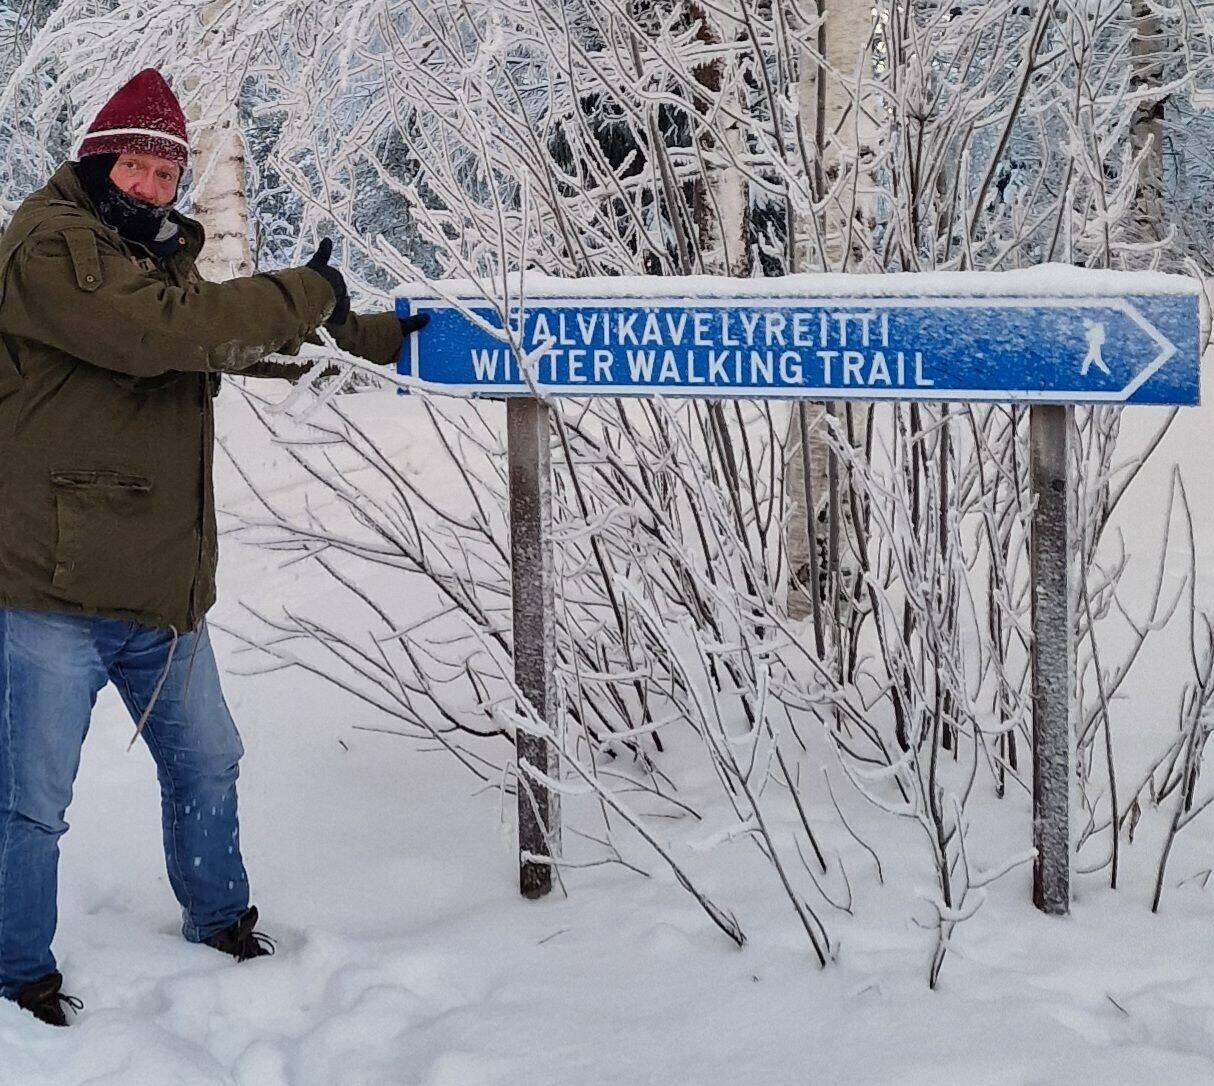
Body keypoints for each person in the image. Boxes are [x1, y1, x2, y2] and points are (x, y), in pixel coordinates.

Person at [0, 68, 428, 1026]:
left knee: (207, 761)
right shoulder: (51, 246)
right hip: (51, 587)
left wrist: (377, 338)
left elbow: (230, 342)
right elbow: (171, 334)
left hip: (160, 586)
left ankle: (220, 917)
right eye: (138, 166)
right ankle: (16, 971)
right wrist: (301, 288)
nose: (154, 185)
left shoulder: (148, 258)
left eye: (168, 172)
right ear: (98, 161)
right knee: (30, 800)